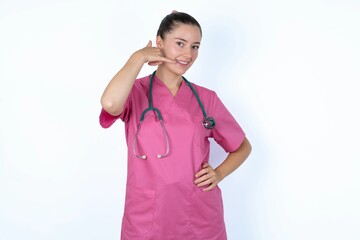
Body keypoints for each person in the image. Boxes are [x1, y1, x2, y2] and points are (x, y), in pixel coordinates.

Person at [99, 11, 252, 240]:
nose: (188, 54)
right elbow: (110, 103)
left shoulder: (206, 99)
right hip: (147, 216)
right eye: (180, 43)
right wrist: (138, 58)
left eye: (195, 46)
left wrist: (218, 173)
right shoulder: (135, 92)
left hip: (199, 216)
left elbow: (242, 146)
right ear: (159, 43)